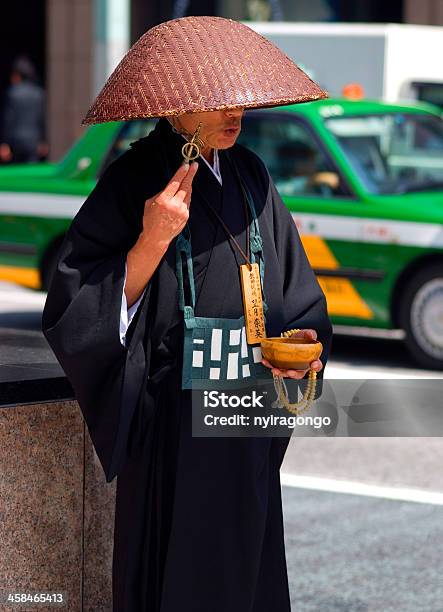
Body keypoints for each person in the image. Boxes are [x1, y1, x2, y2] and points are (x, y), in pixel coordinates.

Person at [42, 16, 333, 611]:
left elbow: (296, 289)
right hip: (176, 418)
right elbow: (74, 304)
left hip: (248, 407)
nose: (237, 114)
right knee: (179, 575)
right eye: (220, 102)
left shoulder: (251, 174)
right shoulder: (133, 178)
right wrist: (152, 240)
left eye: (240, 102)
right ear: (179, 107)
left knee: (249, 569)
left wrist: (300, 341)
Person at [0, 56, 47, 163]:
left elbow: (8, 119)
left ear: (17, 75)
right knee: (32, 172)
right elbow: (41, 119)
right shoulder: (38, 94)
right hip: (33, 141)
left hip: (15, 142)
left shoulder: (12, 93)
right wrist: (43, 141)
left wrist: (4, 143)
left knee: (16, 173)